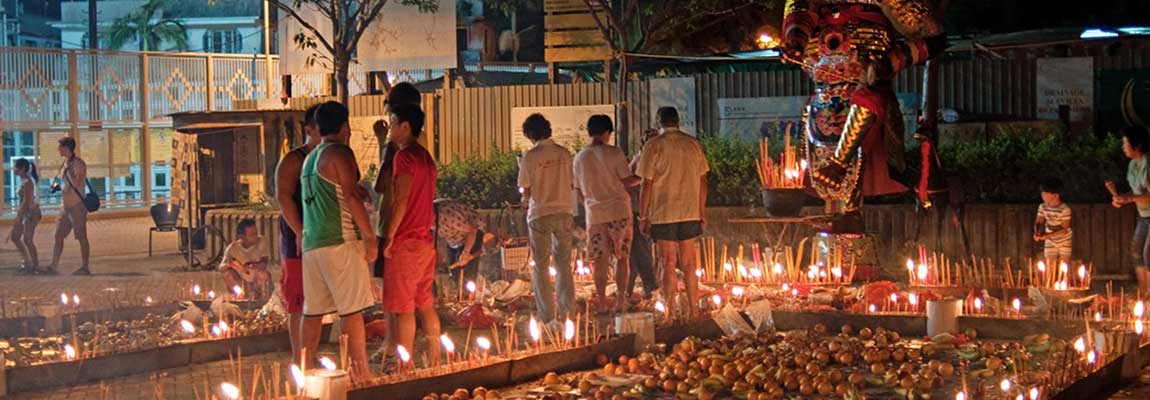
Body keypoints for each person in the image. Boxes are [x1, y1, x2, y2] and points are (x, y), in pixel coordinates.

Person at [300, 101, 377, 384]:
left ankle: (304, 371)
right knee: (351, 311)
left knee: (313, 312)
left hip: (312, 244)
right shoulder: (340, 153)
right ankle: (360, 373)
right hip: (340, 241)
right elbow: (350, 197)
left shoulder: (310, 159)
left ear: (318, 128)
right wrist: (370, 237)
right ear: (345, 126)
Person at [381, 103, 442, 368]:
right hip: (425, 241)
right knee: (425, 302)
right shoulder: (425, 157)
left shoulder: (403, 157)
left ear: (405, 126)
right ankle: (436, 358)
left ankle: (404, 365)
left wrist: (391, 235)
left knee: (404, 307)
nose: (390, 129)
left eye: (392, 122)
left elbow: (402, 199)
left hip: (406, 241)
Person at [636, 107, 709, 321]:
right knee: (689, 263)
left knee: (667, 262)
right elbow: (703, 180)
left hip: (663, 212)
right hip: (689, 211)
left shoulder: (653, 146)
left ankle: (669, 313)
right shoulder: (692, 144)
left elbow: (646, 184)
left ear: (659, 122)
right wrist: (701, 211)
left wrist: (643, 216)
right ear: (677, 121)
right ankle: (694, 311)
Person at [573, 115, 641, 313]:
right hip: (619, 211)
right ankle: (621, 300)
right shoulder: (614, 153)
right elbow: (627, 180)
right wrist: (644, 177)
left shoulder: (579, 158)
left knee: (600, 260)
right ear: (607, 133)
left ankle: (602, 302)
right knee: (622, 258)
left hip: (594, 215)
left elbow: (577, 190)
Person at [275, 103, 322, 365]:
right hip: (297, 242)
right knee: (298, 302)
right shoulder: (294, 159)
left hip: (321, 239)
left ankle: (309, 355)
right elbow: (283, 197)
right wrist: (300, 231)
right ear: (309, 130)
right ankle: (299, 359)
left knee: (315, 303)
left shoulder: (329, 156)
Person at [518, 113, 576, 323]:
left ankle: (547, 315)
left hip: (539, 213)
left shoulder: (530, 157)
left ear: (530, 134)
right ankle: (568, 312)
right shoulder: (565, 153)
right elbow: (572, 183)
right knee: (563, 265)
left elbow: (525, 189)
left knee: (541, 266)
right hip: (564, 211)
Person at [373, 83, 423, 282]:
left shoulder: (402, 151)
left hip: (395, 228)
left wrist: (391, 237)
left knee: (394, 295)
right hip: (414, 228)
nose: (388, 119)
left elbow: (382, 186)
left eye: (391, 116)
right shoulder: (419, 146)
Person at [1113, 126, 1150, 295]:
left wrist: (1129, 199)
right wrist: (1122, 198)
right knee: (1136, 250)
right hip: (1144, 215)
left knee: (1147, 253)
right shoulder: (1132, 165)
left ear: (1138, 145)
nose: (1123, 147)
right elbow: (1135, 192)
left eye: (1126, 143)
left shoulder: (1147, 164)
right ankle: (1144, 290)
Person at [47, 137, 91, 275]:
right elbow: (65, 185)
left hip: (77, 205)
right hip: (65, 206)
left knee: (81, 236)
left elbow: (76, 183)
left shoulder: (78, 164)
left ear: (67, 148)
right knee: (58, 235)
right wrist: (57, 187)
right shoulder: (65, 163)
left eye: (60, 146)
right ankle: (53, 265)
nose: (58, 149)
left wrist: (65, 182)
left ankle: (85, 267)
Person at [625, 131, 660, 300]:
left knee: (636, 253)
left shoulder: (643, 159)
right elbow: (640, 181)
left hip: (639, 209)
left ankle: (628, 288)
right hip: (637, 210)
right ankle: (650, 288)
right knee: (641, 252)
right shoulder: (641, 160)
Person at [434, 198, 493, 283]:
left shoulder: (448, 215)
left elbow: (472, 230)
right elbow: (438, 240)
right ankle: (460, 293)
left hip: (473, 234)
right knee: (454, 272)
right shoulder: (428, 222)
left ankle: (470, 294)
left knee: (467, 275)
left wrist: (466, 252)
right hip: (453, 239)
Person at [219, 219, 273, 300]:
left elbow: (263, 264)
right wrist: (231, 264)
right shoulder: (233, 248)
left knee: (263, 275)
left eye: (256, 233)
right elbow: (221, 268)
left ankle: (262, 300)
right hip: (241, 282)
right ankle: (240, 296)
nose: (256, 236)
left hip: (256, 281)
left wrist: (249, 265)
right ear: (242, 237)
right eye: (252, 235)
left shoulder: (262, 241)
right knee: (227, 274)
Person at [11, 159, 42, 275]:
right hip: (26, 213)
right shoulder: (24, 181)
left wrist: (19, 217)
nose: (14, 169)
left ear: (23, 169)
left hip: (31, 214)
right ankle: (27, 262)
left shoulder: (28, 182)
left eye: (16, 167)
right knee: (15, 237)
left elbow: (26, 202)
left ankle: (35, 265)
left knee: (28, 240)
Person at [1034, 177, 1072, 268]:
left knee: (1064, 266)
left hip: (1064, 240)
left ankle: (1064, 281)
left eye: (1046, 193)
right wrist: (1037, 232)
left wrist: (1047, 236)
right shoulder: (1042, 207)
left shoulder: (1065, 209)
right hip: (1050, 241)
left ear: (1056, 195)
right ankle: (1049, 281)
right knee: (1049, 265)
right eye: (1042, 193)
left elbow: (1064, 229)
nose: (1043, 195)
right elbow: (1039, 221)